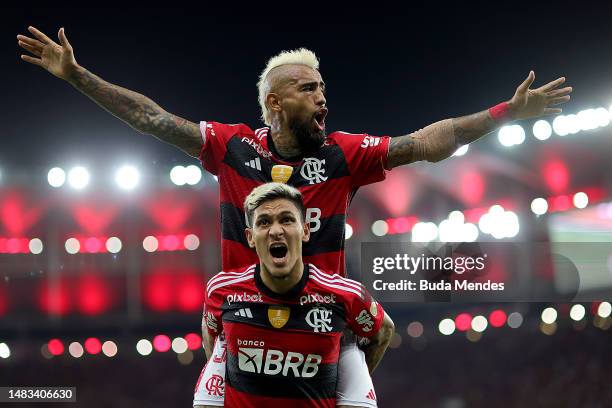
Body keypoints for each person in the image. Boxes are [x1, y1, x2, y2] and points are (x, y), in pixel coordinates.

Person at [17, 26, 572, 407]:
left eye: (323, 86)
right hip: (244, 320)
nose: (323, 96)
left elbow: (428, 142)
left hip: (325, 324)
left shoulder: (343, 155)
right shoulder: (232, 148)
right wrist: (77, 75)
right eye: (309, 88)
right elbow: (153, 118)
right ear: (275, 104)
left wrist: (504, 112)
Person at [196, 182, 394, 407]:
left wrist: (348, 383)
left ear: (305, 230)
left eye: (287, 219)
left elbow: (383, 331)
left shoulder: (346, 295)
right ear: (250, 237)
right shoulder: (221, 291)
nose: (276, 230)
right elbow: (211, 335)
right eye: (264, 222)